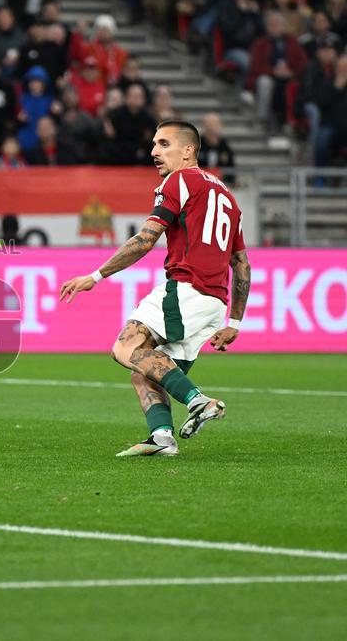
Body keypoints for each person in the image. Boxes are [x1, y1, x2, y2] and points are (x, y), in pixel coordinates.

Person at [59, 120, 251, 457]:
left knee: (126, 347)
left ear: (188, 151)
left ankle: (199, 401)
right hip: (214, 302)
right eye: (154, 145)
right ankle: (162, 438)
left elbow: (145, 239)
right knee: (146, 370)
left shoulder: (179, 180)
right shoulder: (227, 196)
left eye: (163, 144)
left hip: (187, 288)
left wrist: (96, 276)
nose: (153, 152)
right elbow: (242, 265)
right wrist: (233, 322)